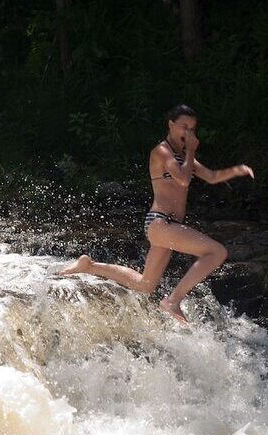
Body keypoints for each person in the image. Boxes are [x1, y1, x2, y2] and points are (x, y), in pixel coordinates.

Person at [59, 104, 254, 323]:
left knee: (145, 285)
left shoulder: (183, 157)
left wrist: (238, 170)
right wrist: (191, 151)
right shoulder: (162, 151)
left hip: (166, 226)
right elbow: (183, 180)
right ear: (171, 125)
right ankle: (173, 301)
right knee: (216, 252)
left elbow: (211, 176)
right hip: (161, 223)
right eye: (184, 127)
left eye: (192, 128)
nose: (189, 133)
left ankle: (89, 265)